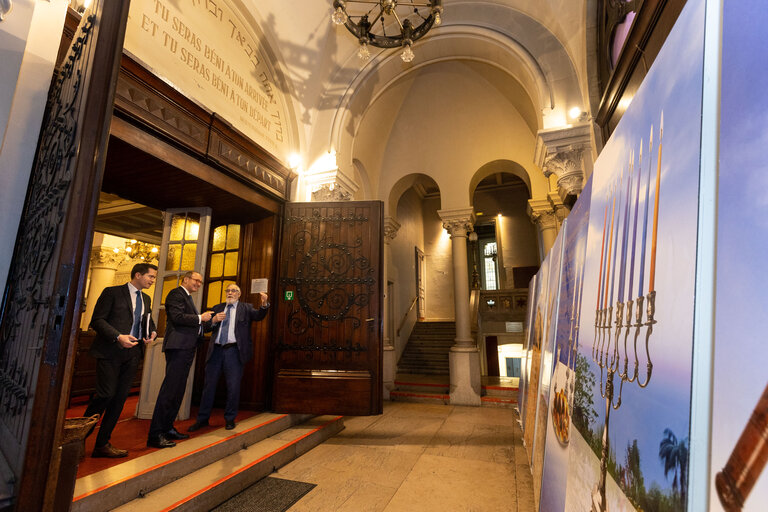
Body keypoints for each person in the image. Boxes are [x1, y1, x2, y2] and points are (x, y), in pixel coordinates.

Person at [84, 262, 157, 458]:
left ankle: (102, 444)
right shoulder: (112, 292)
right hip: (110, 351)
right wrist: (118, 336)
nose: (152, 280)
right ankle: (77, 440)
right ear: (138, 275)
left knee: (118, 400)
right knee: (105, 395)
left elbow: (147, 321)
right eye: (151, 276)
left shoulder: (147, 299)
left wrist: (152, 332)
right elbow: (97, 320)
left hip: (133, 354)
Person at [188, 285, 270, 432]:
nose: (230, 293)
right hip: (216, 351)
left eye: (233, 291)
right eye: (228, 291)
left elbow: (259, 316)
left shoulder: (246, 308)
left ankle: (230, 419)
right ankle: (202, 419)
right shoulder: (217, 307)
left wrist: (264, 304)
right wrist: (213, 320)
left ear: (239, 294)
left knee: (233, 387)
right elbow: (205, 328)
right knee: (209, 387)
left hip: (234, 351)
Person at [147, 271, 213, 448]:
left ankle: (168, 428)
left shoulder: (188, 297)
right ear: (186, 279)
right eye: (196, 280)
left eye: (200, 282)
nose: (198, 284)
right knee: (169, 391)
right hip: (178, 347)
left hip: (187, 348)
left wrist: (210, 322)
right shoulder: (176, 294)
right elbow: (177, 318)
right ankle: (156, 434)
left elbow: (193, 323)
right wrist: (201, 317)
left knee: (177, 392)